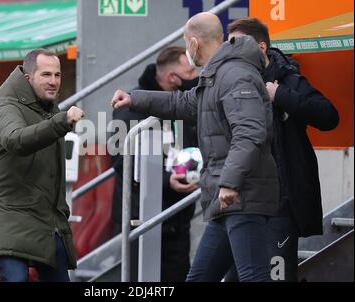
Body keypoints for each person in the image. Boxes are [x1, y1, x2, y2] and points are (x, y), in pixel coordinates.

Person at [111, 12, 280, 282]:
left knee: (253, 277)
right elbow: (182, 103)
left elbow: (249, 133)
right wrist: (134, 99)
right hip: (226, 200)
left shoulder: (234, 74)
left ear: (193, 43)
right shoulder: (217, 75)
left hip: (241, 197)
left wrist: (230, 183)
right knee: (199, 278)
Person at [224, 17, 339, 282]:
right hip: (239, 202)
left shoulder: (287, 79)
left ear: (261, 48)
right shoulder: (231, 81)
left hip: (279, 203)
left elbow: (329, 117)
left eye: (236, 45)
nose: (230, 53)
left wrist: (281, 97)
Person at [0, 49, 84, 282]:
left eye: (57, 75)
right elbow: (16, 140)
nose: (53, 81)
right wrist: (61, 122)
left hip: (45, 222)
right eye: (46, 74)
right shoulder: (7, 108)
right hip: (11, 219)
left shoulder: (49, 111)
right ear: (28, 78)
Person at [111, 46, 199, 281]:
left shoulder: (186, 105)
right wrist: (165, 180)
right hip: (141, 220)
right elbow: (120, 160)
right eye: (191, 72)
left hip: (177, 218)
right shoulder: (130, 108)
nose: (196, 78)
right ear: (172, 77)